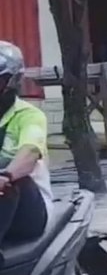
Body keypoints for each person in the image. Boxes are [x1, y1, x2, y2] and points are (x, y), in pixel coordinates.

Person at [0, 42, 51, 244]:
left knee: (12, 183)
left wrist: (6, 175)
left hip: (28, 212)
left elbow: (29, 152)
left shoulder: (29, 116)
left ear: (13, 82)